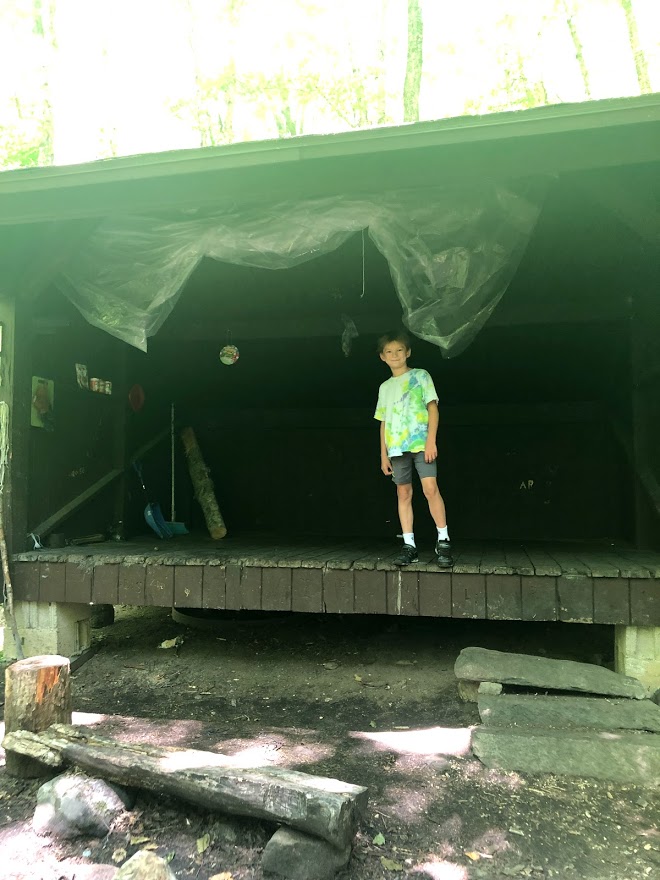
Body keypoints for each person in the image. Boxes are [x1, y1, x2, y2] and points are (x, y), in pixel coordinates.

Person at [374, 330, 452, 567]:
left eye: (399, 350)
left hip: (421, 444)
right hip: (396, 448)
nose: (395, 355)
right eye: (389, 351)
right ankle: (409, 545)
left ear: (408, 352)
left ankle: (443, 540)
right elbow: (383, 421)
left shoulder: (421, 375)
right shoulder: (385, 387)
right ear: (382, 357)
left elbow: (433, 408)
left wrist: (431, 441)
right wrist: (383, 454)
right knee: (403, 493)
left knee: (430, 488)